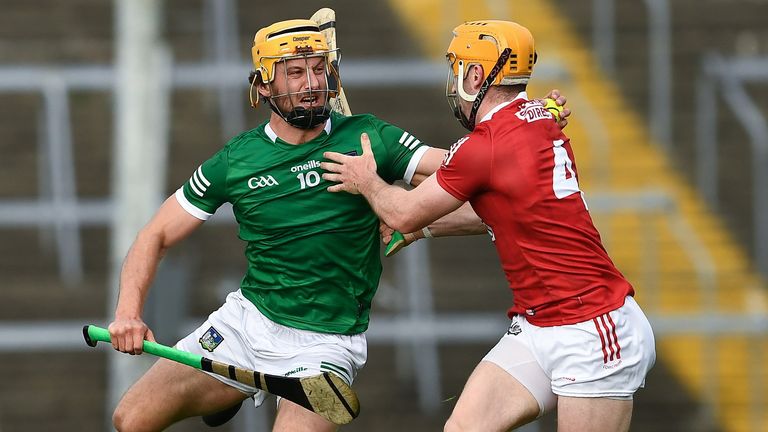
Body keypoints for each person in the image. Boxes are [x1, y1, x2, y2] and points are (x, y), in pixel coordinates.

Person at [107, 17, 569, 432]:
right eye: (295, 72)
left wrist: (526, 126)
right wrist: (128, 311)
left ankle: (228, 394)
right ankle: (227, 390)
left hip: (324, 345)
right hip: (246, 325)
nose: (311, 83)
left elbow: (470, 166)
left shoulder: (372, 138)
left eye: (317, 69)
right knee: (130, 420)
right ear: (263, 86)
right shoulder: (236, 160)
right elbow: (156, 234)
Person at [322, 20, 656, 432]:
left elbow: (403, 211)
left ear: (476, 75)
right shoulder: (542, 118)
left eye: (458, 68)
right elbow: (492, 211)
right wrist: (422, 229)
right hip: (538, 326)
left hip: (591, 328)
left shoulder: (487, 145)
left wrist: (368, 183)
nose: (454, 81)